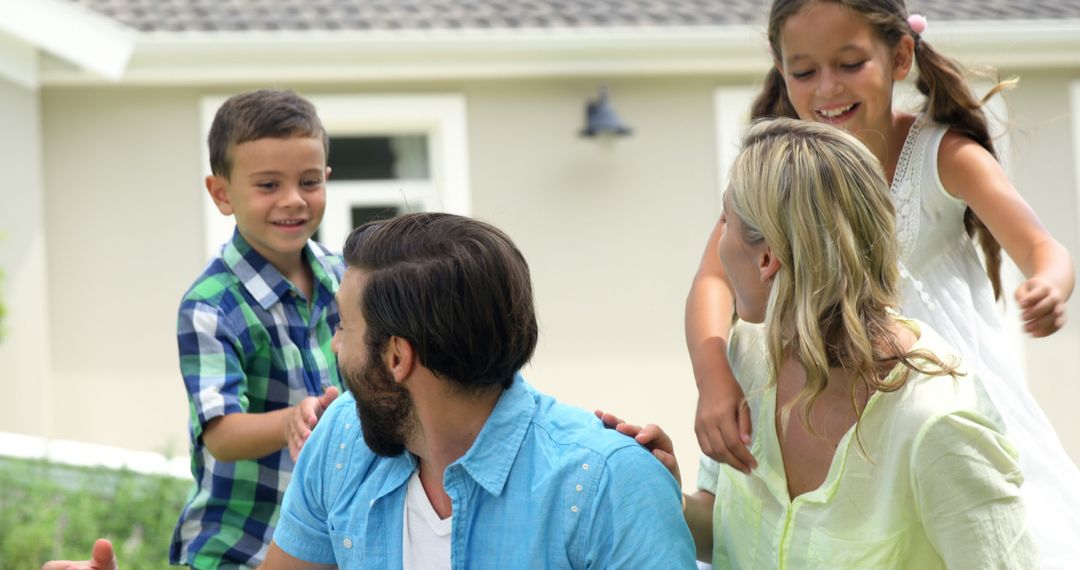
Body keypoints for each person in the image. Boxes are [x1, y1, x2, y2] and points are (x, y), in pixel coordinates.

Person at [44, 213, 697, 570]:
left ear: (396, 358)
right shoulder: (341, 440)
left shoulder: (608, 483)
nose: (333, 349)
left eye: (343, 329)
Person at [685, 1, 1078, 565]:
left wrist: (1048, 282)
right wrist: (715, 378)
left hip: (928, 385)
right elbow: (710, 280)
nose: (827, 88)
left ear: (899, 57)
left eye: (848, 64)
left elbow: (1042, 245)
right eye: (804, 71)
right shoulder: (782, 174)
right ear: (780, 68)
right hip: (826, 377)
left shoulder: (942, 154)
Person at [602, 117, 1037, 568]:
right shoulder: (747, 358)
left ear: (767, 257)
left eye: (724, 220)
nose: (718, 242)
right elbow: (727, 533)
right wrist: (663, 491)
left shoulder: (937, 423)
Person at [170, 89, 344, 568]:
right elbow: (221, 433)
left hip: (330, 545)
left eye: (309, 182)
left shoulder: (347, 280)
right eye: (268, 185)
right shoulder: (210, 306)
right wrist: (291, 419)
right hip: (242, 546)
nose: (293, 200)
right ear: (222, 194)